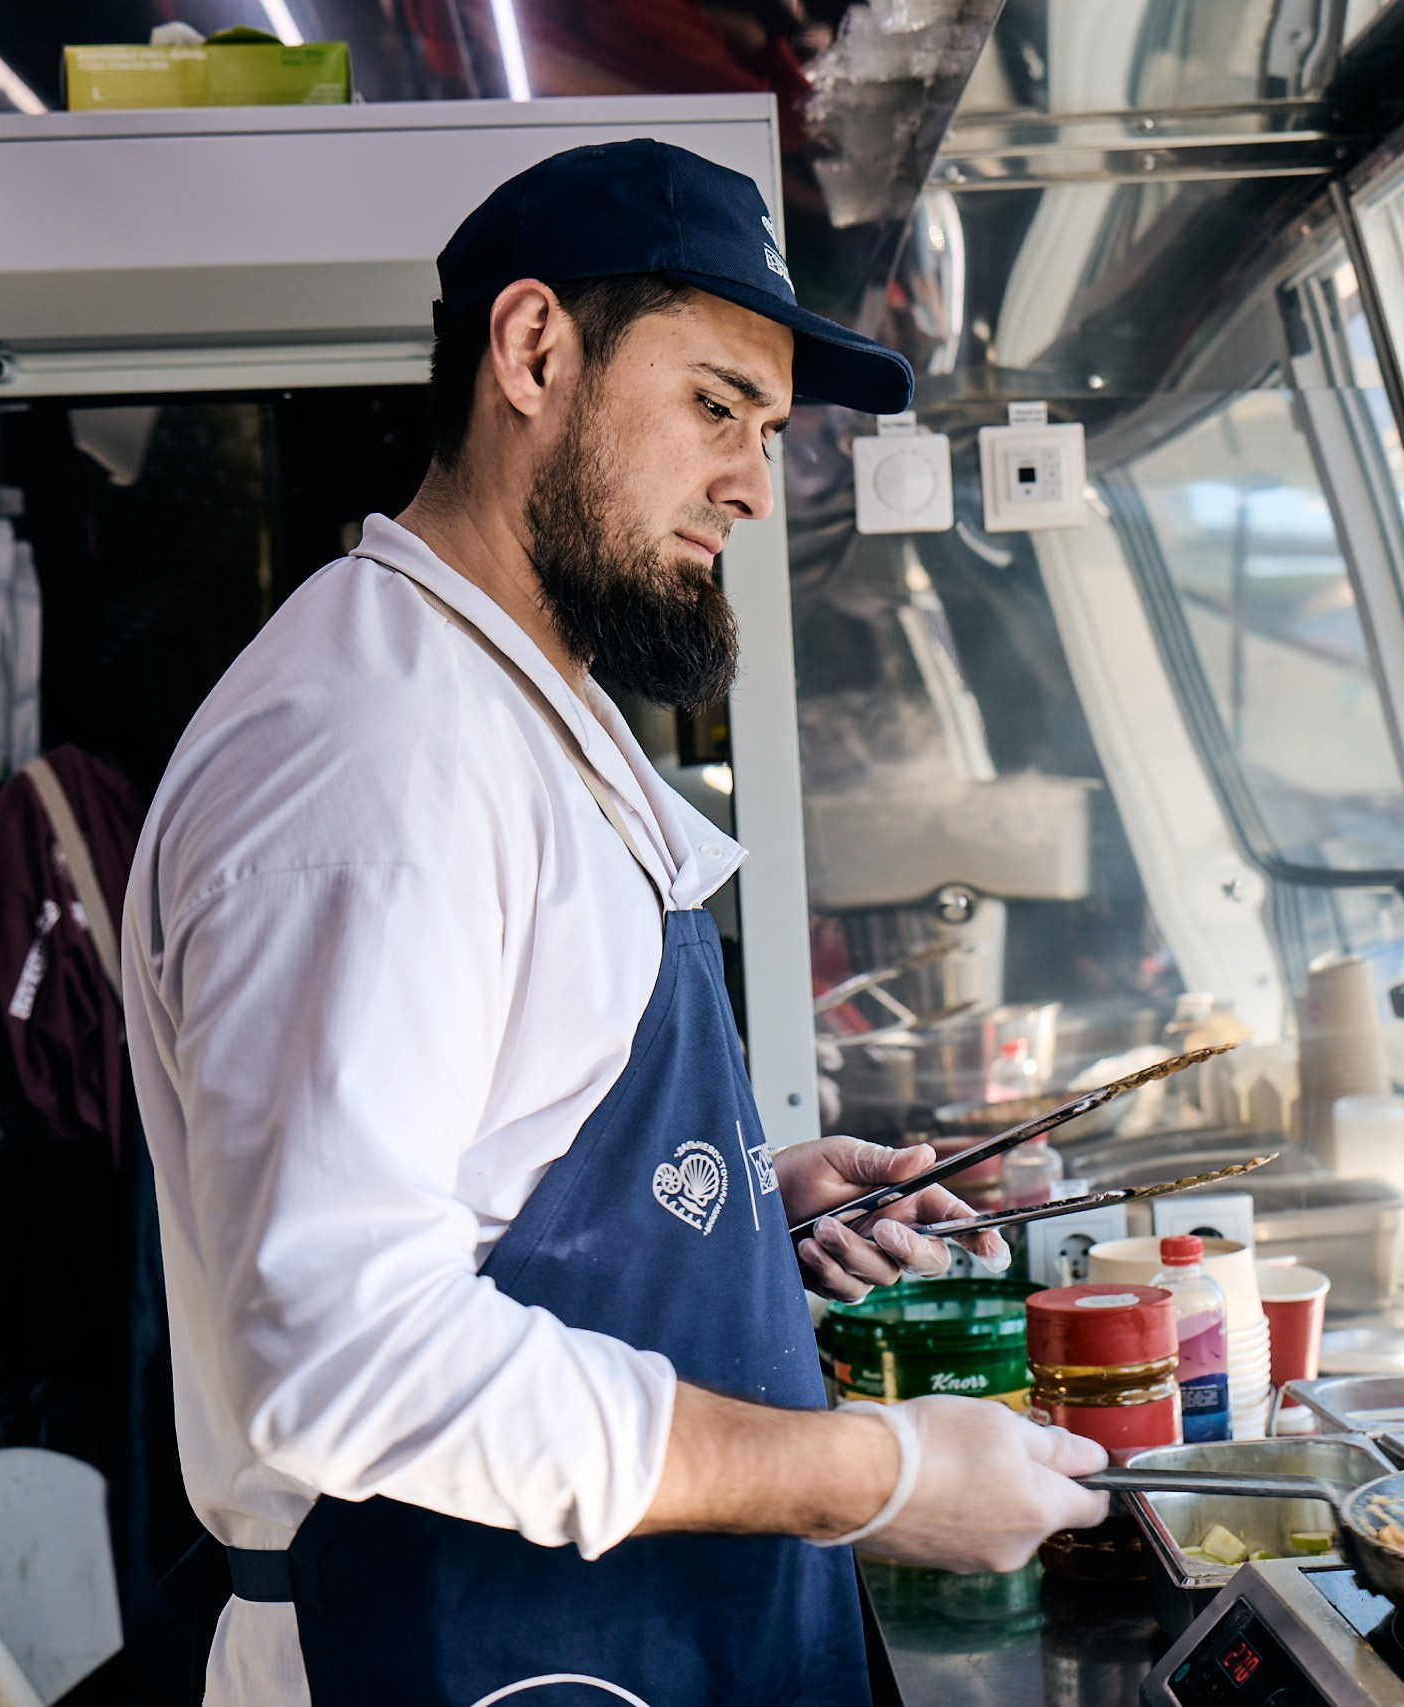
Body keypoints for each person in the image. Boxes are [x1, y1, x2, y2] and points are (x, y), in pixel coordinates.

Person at [124, 139, 1108, 1707]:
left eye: (769, 431)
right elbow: (349, 1351)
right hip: (448, 1646)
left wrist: (719, 1212)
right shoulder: (376, 755)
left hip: (606, 1636)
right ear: (532, 353)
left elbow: (497, 1168)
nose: (752, 484)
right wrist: (874, 1472)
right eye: (716, 406)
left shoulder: (506, 698)